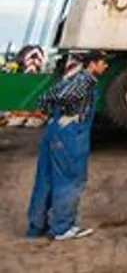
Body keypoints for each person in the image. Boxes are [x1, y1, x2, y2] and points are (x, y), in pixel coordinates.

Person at [26, 50, 109, 241]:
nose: (106, 67)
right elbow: (63, 97)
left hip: (55, 129)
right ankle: (63, 227)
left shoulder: (71, 77)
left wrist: (56, 115)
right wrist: (68, 115)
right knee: (70, 180)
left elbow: (45, 98)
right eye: (103, 63)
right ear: (92, 64)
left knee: (45, 180)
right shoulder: (84, 81)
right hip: (70, 132)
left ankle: (36, 227)